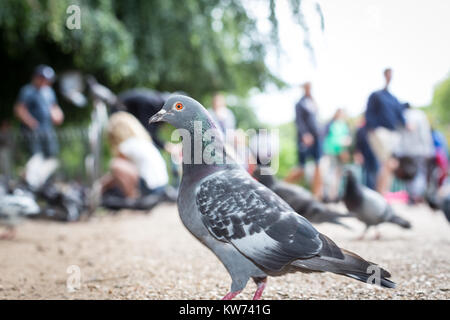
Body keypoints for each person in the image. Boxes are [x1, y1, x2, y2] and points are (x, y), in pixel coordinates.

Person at [99, 112, 170, 209]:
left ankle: (132, 199)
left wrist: (101, 186)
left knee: (116, 165)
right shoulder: (142, 142)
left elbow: (116, 173)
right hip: (161, 186)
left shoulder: (126, 145)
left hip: (150, 189)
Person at [364, 68, 407, 195]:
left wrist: (406, 124)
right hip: (380, 131)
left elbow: (400, 115)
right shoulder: (376, 95)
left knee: (390, 164)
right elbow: (369, 113)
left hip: (392, 134)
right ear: (384, 75)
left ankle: (382, 193)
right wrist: (372, 128)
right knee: (389, 163)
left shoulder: (394, 99)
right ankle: (381, 193)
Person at [14, 65, 64, 158]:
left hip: (47, 130)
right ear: (36, 77)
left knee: (51, 157)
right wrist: (31, 122)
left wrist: (59, 115)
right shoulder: (27, 91)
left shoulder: (49, 92)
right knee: (36, 158)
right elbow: (19, 109)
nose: (45, 81)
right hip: (32, 132)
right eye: (42, 78)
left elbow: (54, 107)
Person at [285, 82, 323, 199]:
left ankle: (316, 196)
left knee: (318, 165)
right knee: (301, 167)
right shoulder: (299, 103)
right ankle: (281, 187)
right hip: (305, 138)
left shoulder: (312, 102)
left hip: (317, 137)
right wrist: (305, 134)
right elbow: (299, 121)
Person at [322, 108, 351, 200]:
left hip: (341, 151)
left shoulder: (344, 125)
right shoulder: (331, 124)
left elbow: (347, 138)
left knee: (339, 173)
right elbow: (327, 138)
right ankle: (328, 195)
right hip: (332, 151)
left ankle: (335, 194)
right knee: (331, 172)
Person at [354, 118, 379, 190]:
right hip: (366, 155)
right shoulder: (361, 130)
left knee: (376, 173)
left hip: (375, 155)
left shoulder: (374, 128)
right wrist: (358, 154)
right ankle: (370, 190)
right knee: (368, 175)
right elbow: (358, 144)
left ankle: (375, 190)